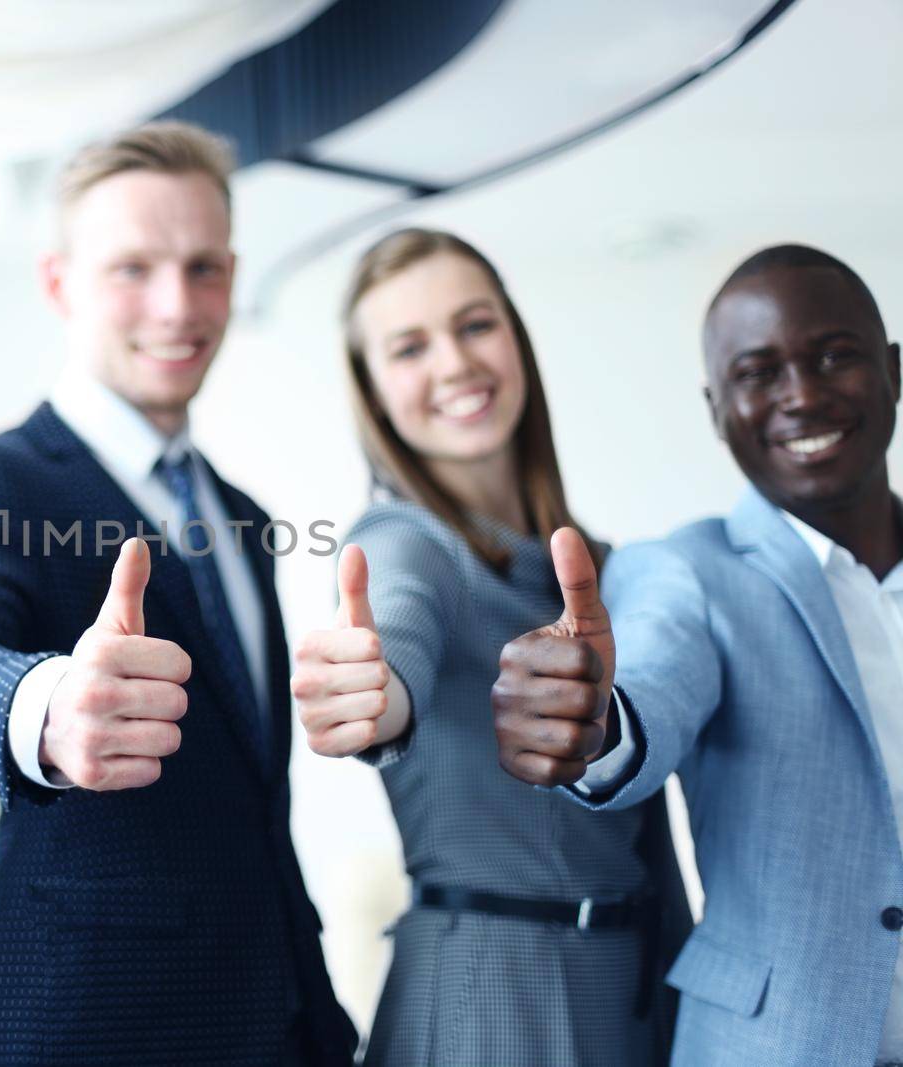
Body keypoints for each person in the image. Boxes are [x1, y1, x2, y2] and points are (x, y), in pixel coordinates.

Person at [0, 121, 355, 1066]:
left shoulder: (244, 516)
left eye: (203, 268)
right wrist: (49, 705)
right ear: (59, 283)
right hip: (89, 1024)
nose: (177, 305)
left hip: (282, 1020)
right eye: (132, 269)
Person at [492, 244, 903, 1065]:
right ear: (717, 411)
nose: (803, 394)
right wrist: (595, 722)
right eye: (759, 373)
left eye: (835, 355)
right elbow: (652, 679)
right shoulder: (688, 570)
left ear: (893, 370)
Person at [290, 227, 689, 1065]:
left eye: (474, 325)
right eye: (409, 347)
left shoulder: (597, 568)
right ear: (373, 388)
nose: (454, 363)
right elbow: (396, 627)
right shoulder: (406, 539)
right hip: (493, 994)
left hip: (633, 990)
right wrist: (375, 691)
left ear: (514, 335)